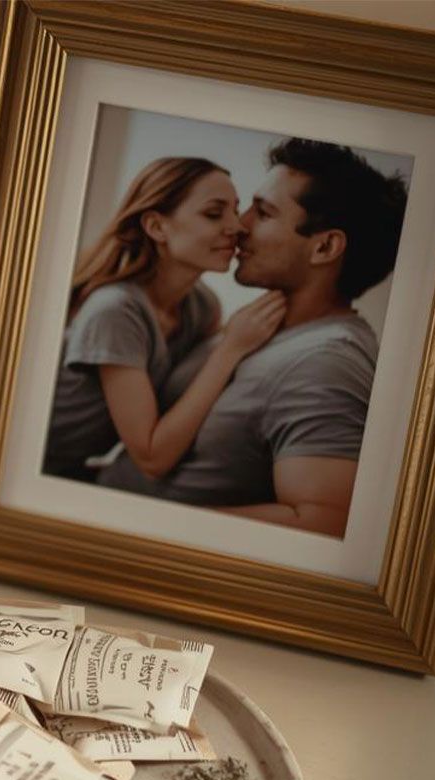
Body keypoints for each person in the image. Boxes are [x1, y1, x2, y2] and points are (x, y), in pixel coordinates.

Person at [99, 138, 410, 538]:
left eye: (262, 213)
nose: (238, 225)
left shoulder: (325, 364)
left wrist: (146, 522)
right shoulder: (261, 324)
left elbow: (325, 520)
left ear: (325, 246)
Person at [44, 157, 286, 483]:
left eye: (234, 209)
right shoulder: (115, 312)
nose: (237, 226)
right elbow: (151, 457)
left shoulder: (201, 306)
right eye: (214, 213)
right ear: (157, 226)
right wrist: (230, 349)